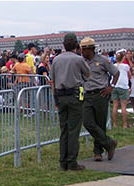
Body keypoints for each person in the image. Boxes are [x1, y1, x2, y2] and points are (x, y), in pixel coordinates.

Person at [50, 33, 91, 171]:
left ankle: (63, 161)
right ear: (76, 45)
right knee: (74, 130)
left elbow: (53, 81)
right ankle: (72, 161)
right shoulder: (78, 59)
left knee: (64, 130)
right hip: (75, 95)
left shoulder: (56, 60)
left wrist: (55, 97)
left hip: (60, 96)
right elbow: (88, 74)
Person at [81, 37, 120, 162]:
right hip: (87, 94)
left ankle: (98, 152)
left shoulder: (102, 60)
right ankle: (109, 143)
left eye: (83, 49)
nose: (81, 51)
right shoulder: (81, 61)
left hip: (100, 94)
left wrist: (111, 87)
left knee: (100, 124)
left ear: (90, 49)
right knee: (87, 122)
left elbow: (116, 73)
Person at [111, 52, 131, 128]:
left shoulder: (113, 65)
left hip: (114, 85)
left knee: (115, 106)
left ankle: (114, 124)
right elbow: (129, 76)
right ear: (123, 58)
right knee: (123, 106)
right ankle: (125, 124)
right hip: (123, 86)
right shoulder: (126, 66)